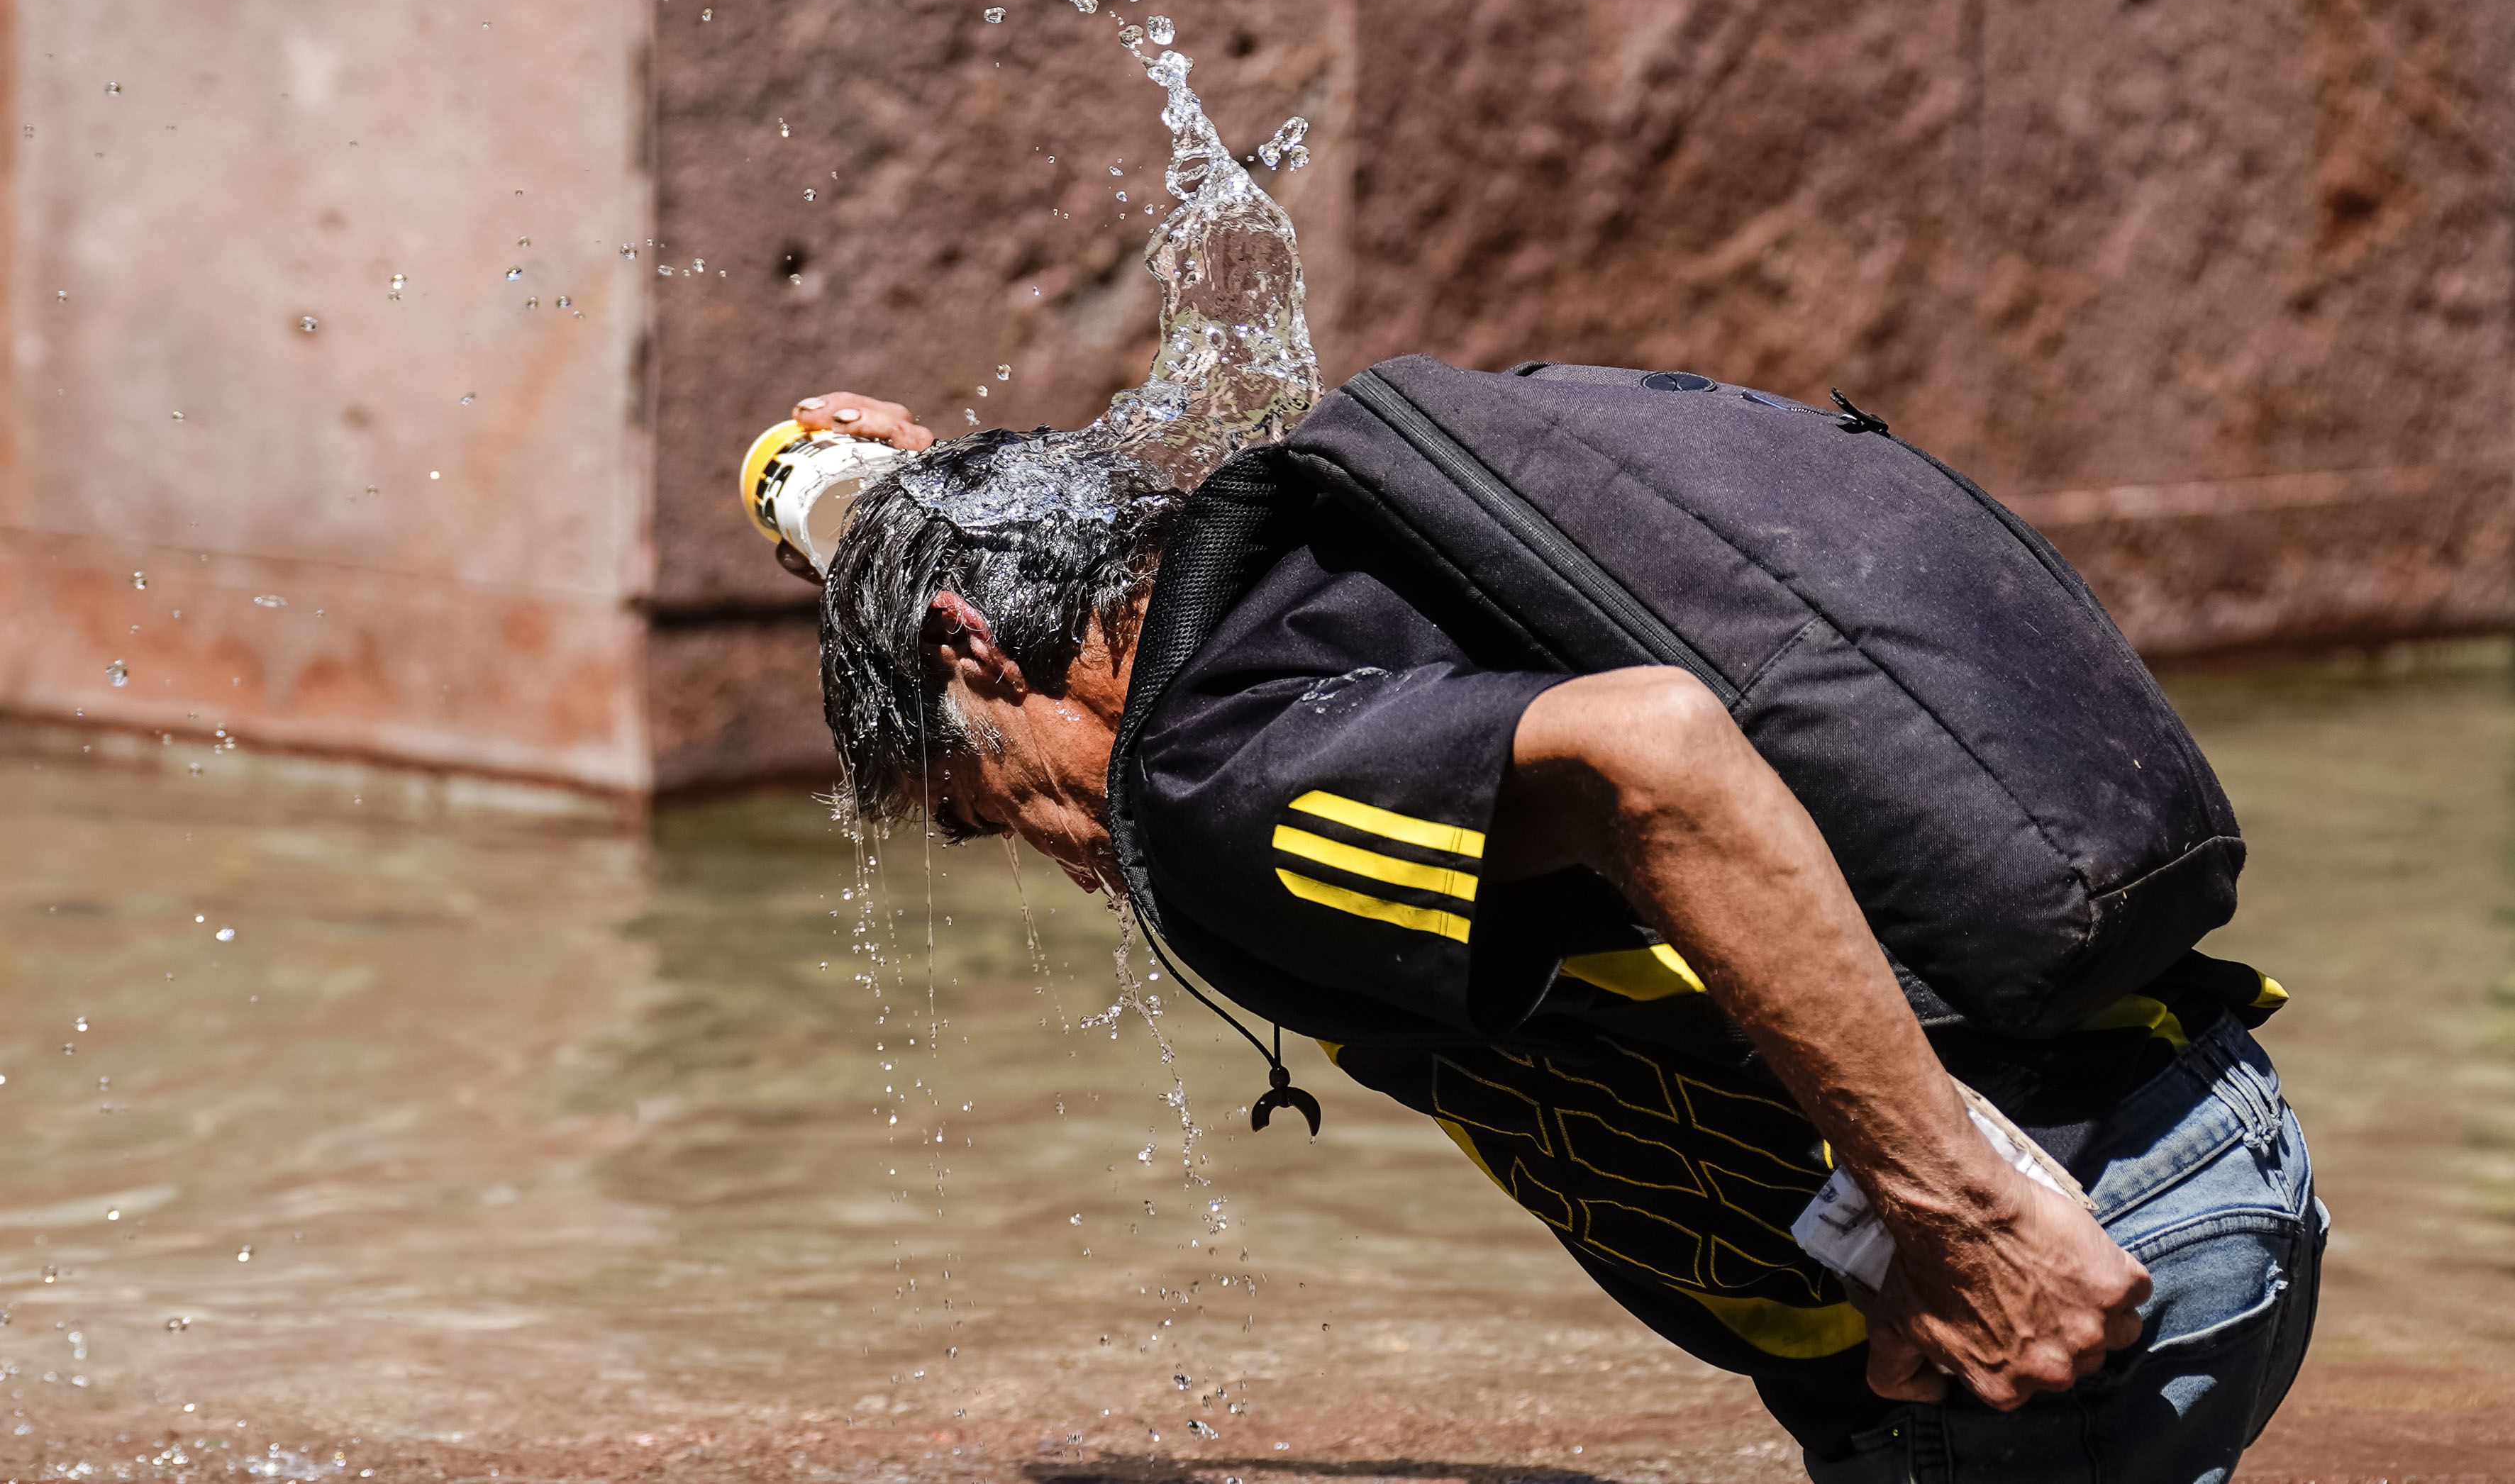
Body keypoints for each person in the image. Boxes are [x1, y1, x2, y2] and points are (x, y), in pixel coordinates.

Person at [775, 367, 2324, 1483]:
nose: (1057, 857)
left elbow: (1653, 750)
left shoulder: (1205, 787)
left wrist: (1962, 1214)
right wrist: (883, 505)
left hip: (2026, 1264)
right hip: (2189, 1136)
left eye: (982, 807)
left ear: (972, 645)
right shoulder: (1300, 572)